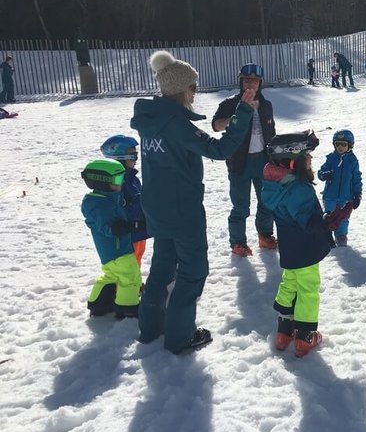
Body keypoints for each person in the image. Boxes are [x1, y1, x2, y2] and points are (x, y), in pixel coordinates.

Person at [131, 50, 257, 354]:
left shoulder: (151, 122)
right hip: (182, 210)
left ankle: (150, 328)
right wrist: (243, 113)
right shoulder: (177, 125)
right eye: (193, 86)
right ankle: (180, 337)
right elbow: (221, 149)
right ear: (180, 90)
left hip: (157, 208)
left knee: (162, 266)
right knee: (193, 270)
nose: (195, 91)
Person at [261, 130, 351, 357]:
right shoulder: (297, 189)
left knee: (289, 282)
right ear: (292, 161)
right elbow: (307, 221)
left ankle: (284, 332)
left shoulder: (275, 184)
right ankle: (305, 336)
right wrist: (329, 223)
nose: (310, 160)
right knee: (308, 289)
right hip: (304, 249)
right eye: (306, 156)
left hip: (289, 249)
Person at [212, 63, 277, 257]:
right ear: (241, 82)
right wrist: (234, 118)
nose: (251, 84)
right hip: (239, 163)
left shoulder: (266, 105)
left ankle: (265, 235)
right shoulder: (230, 103)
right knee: (240, 206)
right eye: (247, 80)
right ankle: (238, 242)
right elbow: (216, 126)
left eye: (255, 81)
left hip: (263, 161)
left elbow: (271, 133)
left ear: (260, 83)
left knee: (267, 201)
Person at [80, 158, 141, 318]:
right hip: (117, 249)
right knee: (130, 277)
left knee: (112, 275)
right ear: (102, 182)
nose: (121, 183)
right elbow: (109, 227)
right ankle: (127, 308)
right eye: (118, 179)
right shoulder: (99, 204)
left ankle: (99, 303)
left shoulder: (108, 198)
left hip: (112, 250)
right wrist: (128, 226)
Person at [101, 135, 149, 267]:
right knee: (127, 263)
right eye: (133, 155)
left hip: (140, 229)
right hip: (128, 231)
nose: (136, 159)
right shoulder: (116, 182)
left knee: (138, 257)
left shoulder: (132, 178)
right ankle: (125, 286)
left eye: (136, 154)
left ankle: (135, 284)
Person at [317, 129, 363, 247]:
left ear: (350, 145)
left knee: (343, 217)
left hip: (346, 196)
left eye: (344, 144)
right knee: (329, 216)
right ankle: (327, 236)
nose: (340, 147)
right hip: (330, 196)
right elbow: (321, 172)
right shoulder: (331, 158)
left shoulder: (352, 161)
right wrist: (324, 174)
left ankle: (341, 235)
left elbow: (356, 178)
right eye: (338, 144)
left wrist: (357, 194)